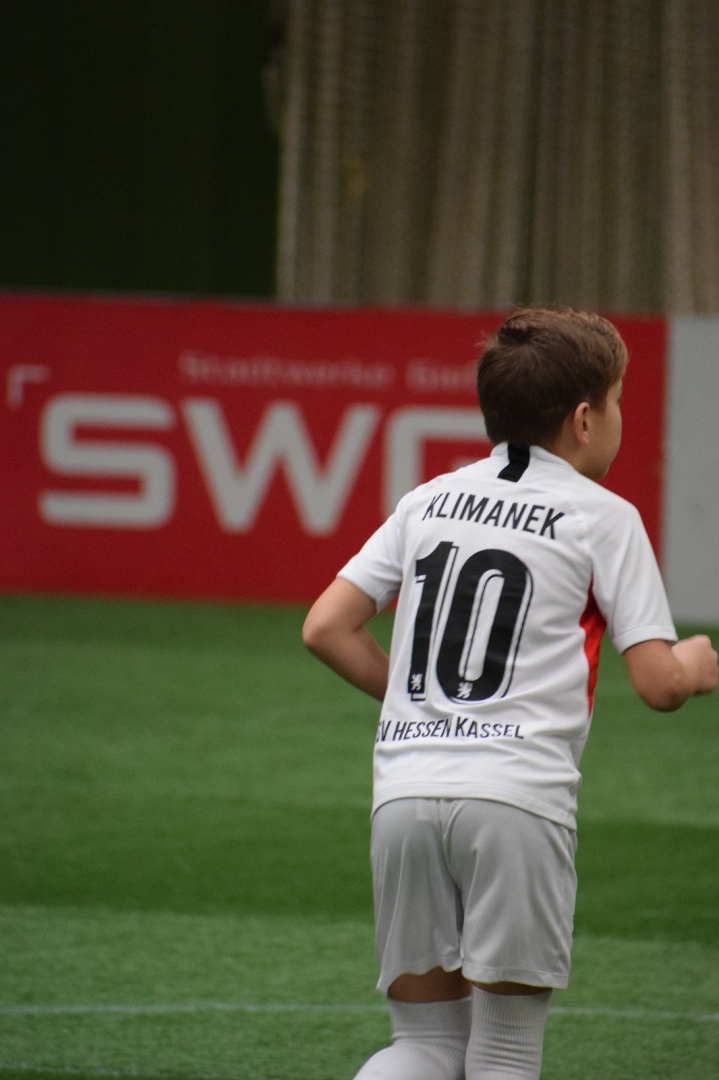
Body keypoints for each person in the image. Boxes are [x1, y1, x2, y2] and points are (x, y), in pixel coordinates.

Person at [302, 307, 717, 1080]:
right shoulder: (603, 517)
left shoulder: (427, 499)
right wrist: (695, 663)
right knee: (502, 1053)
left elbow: (325, 627)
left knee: (422, 1045)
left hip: (404, 796)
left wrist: (421, 706)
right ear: (584, 419)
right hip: (515, 801)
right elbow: (659, 684)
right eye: (617, 401)